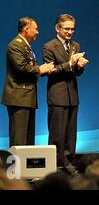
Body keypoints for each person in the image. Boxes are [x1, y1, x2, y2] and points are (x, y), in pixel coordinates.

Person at [43, 14, 89, 171]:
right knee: (57, 134)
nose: (70, 32)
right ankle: (55, 165)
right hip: (57, 96)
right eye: (67, 29)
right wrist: (70, 63)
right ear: (57, 28)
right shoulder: (49, 47)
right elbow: (51, 71)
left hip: (72, 96)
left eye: (72, 29)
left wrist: (79, 66)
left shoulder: (75, 45)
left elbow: (76, 73)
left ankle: (68, 163)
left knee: (71, 134)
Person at [1, 17, 55, 147]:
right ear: (26, 29)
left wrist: (44, 70)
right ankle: (16, 167)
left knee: (28, 139)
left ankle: (25, 165)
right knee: (19, 139)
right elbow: (22, 68)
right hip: (19, 98)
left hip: (27, 97)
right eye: (35, 29)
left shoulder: (25, 46)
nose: (37, 32)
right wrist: (40, 69)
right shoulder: (15, 45)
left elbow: (29, 69)